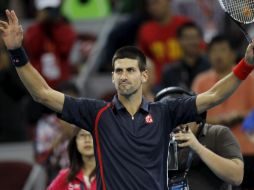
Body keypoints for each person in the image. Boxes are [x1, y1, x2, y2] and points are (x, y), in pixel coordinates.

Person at [1, 10, 254, 190]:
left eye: (130, 70)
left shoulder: (165, 112)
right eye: (118, 71)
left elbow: (214, 95)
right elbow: (42, 93)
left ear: (144, 75)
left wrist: (246, 64)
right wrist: (16, 52)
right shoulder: (96, 114)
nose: (124, 76)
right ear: (111, 77)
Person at [155, 86, 244, 190]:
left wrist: (198, 147)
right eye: (172, 119)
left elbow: (236, 176)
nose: (178, 124)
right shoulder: (158, 140)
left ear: (197, 116)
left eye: (183, 117)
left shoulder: (217, 133)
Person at [192, 35, 254, 126]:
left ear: (233, 54)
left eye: (222, 50)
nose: (218, 55)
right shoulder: (200, 81)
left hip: (243, 137)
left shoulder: (250, 79)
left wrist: (239, 115)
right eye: (214, 50)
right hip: (210, 136)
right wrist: (218, 121)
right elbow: (193, 116)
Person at [138, 0, 191, 83]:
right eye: (149, 5)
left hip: (187, 78)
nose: (153, 7)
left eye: (156, 2)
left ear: (168, 1)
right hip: (159, 84)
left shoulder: (185, 24)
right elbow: (142, 62)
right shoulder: (145, 30)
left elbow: (199, 51)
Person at [161, 22, 210, 90]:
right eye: (187, 38)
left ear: (201, 39)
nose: (192, 42)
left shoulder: (210, 67)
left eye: (195, 37)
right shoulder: (170, 71)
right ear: (179, 40)